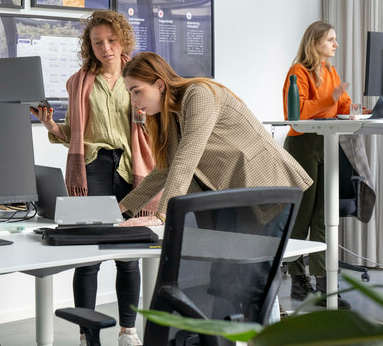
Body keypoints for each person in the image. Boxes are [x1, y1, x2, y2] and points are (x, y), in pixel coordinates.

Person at [31, 10, 155, 346]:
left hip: (133, 168)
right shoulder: (79, 82)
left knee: (128, 256)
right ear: (90, 45)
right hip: (93, 168)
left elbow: (159, 122)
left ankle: (128, 330)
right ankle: (88, 332)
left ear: (123, 40)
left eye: (111, 40)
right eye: (97, 42)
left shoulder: (141, 76)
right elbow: (73, 132)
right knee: (87, 256)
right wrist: (51, 127)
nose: (106, 47)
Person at [118, 51, 312, 226]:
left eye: (137, 91)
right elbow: (165, 169)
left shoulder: (198, 95)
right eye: (130, 93)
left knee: (254, 265)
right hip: (230, 197)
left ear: (159, 85)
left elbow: (186, 158)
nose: (133, 100)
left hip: (264, 187)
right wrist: (122, 209)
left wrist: (162, 214)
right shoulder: (168, 116)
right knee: (225, 264)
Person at [282, 21, 352, 308]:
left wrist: (353, 107)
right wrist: (331, 99)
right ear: (315, 43)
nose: (335, 44)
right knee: (304, 215)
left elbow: (341, 103)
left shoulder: (331, 71)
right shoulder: (298, 72)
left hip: (327, 142)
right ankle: (299, 278)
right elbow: (296, 113)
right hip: (303, 144)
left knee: (325, 216)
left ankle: (325, 284)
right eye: (330, 40)